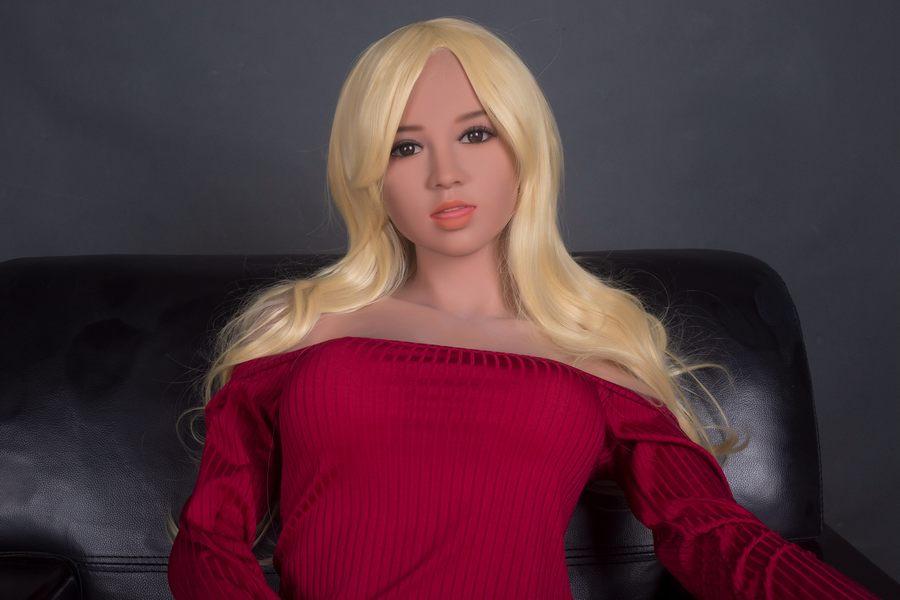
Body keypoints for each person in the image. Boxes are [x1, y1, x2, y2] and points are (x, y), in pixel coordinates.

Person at [166, 16, 878, 599]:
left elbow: (713, 535)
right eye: (405, 147)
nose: (446, 174)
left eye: (476, 134)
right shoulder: (301, 330)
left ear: (525, 149)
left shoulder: (592, 356)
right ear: (370, 177)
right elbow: (208, 544)